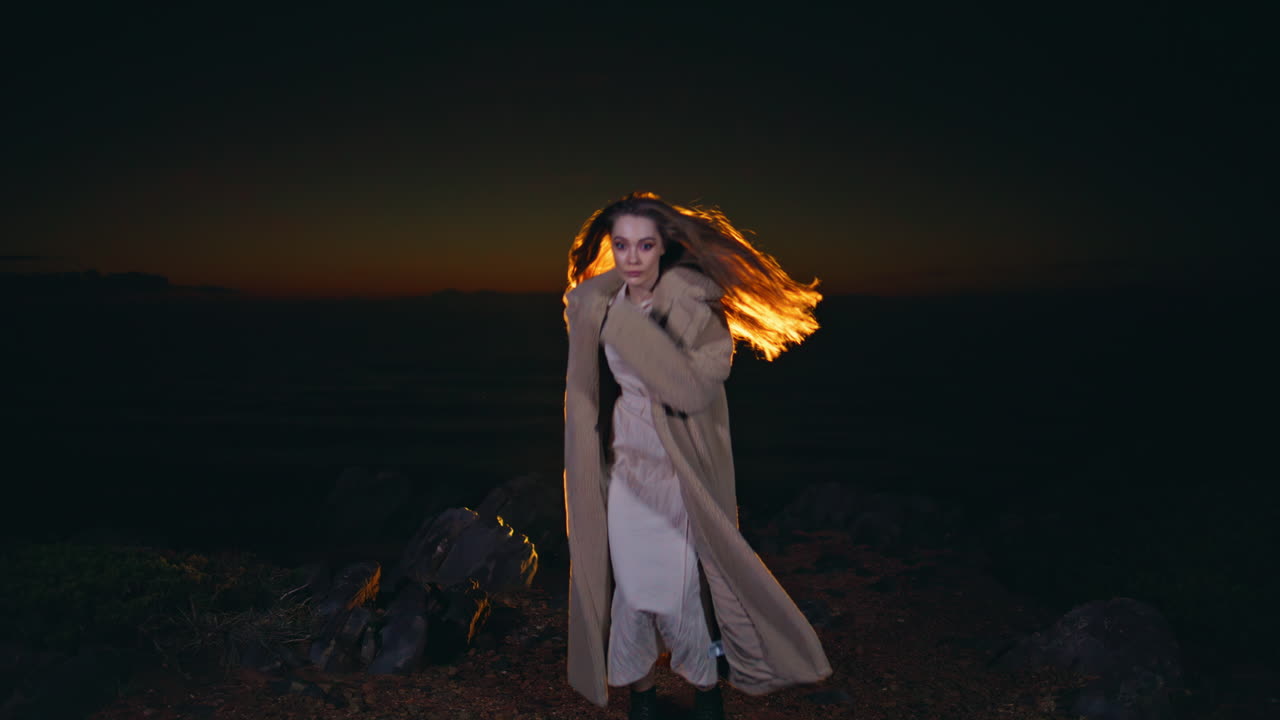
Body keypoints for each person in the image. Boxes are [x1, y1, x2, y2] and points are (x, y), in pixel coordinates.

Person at [562, 192, 832, 720]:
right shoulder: (604, 303)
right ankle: (644, 695)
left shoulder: (696, 306)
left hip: (680, 467)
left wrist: (615, 321)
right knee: (633, 589)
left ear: (665, 246)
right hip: (627, 463)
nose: (632, 256)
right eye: (621, 245)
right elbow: (583, 391)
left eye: (644, 244)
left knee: (678, 587)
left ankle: (705, 687)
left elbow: (690, 388)